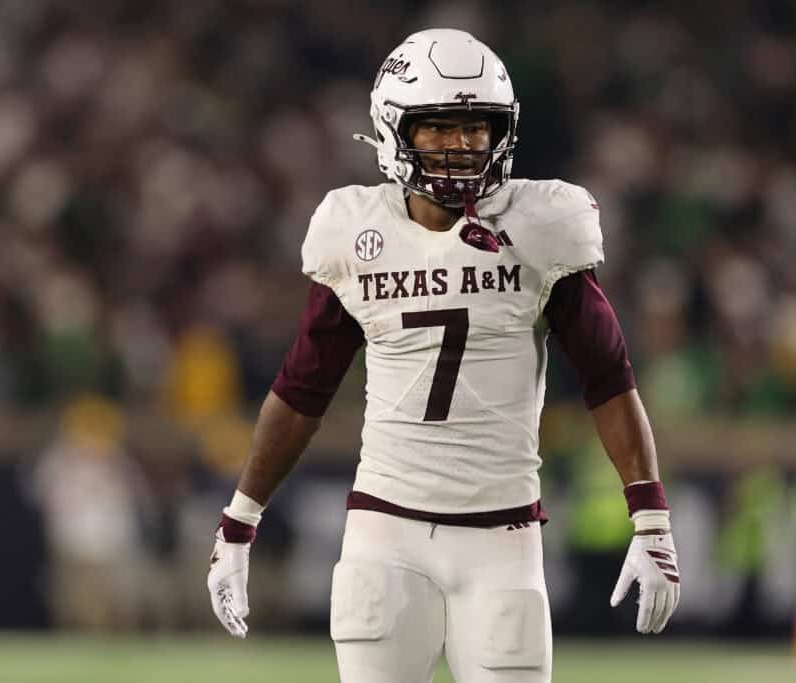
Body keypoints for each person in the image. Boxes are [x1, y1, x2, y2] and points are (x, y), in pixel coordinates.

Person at [207, 28, 680, 682]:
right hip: (386, 535)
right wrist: (240, 519)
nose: (461, 145)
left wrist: (651, 515)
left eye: (475, 127)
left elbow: (608, 375)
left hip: (504, 538)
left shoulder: (540, 224)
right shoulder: (358, 231)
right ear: (393, 127)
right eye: (439, 128)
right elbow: (302, 389)